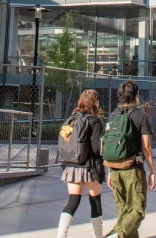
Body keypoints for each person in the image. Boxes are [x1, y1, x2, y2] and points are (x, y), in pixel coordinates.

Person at [104, 81, 156, 238]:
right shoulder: (141, 116)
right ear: (136, 96)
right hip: (133, 170)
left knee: (124, 212)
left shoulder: (113, 116)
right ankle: (116, 234)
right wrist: (152, 171)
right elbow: (146, 147)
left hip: (114, 169)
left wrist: (109, 170)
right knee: (137, 210)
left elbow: (107, 144)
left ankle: (121, 232)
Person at [56, 89, 107, 238]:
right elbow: (97, 149)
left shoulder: (72, 119)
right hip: (90, 167)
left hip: (72, 166)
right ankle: (98, 236)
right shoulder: (95, 120)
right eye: (97, 100)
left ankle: (61, 235)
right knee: (95, 202)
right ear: (94, 102)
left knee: (72, 202)